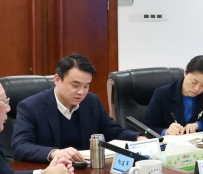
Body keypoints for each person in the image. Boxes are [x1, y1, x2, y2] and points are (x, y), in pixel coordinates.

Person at [12, 53, 144, 163]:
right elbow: (20, 147)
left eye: (86, 86)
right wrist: (54, 153)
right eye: (75, 85)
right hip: (51, 173)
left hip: (87, 171)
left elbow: (113, 132)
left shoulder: (91, 102)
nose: (81, 92)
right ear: (57, 80)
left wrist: (138, 138)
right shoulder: (31, 106)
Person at [143, 55, 203, 135]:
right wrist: (166, 131)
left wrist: (199, 125)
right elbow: (146, 129)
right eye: (194, 82)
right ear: (185, 72)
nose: (197, 89)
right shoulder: (162, 94)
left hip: (200, 144)